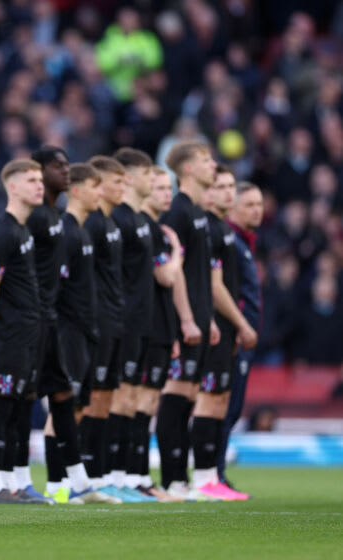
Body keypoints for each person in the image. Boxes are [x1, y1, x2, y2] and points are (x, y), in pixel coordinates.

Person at [0, 159, 44, 503]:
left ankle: (18, 482)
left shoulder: (23, 229)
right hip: (8, 334)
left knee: (20, 408)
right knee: (2, 406)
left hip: (29, 334)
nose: (39, 185)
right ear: (12, 187)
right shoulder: (2, 231)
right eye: (31, 180)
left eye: (40, 179)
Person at [54, 163, 120, 505]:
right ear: (77, 191)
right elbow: (58, 287)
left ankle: (74, 483)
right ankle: (56, 484)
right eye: (95, 187)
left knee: (77, 406)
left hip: (85, 329)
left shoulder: (79, 230)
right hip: (68, 330)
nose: (101, 192)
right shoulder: (67, 231)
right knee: (63, 406)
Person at [157, 141, 218, 501]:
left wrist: (206, 317)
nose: (213, 166)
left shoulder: (196, 212)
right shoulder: (178, 212)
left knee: (190, 396)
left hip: (198, 318)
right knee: (176, 398)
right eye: (207, 161)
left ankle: (181, 478)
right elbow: (174, 272)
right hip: (183, 321)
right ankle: (172, 479)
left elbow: (198, 275)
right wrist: (185, 319)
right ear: (189, 170)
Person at [191, 166, 254, 500]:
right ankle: (200, 478)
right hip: (213, 326)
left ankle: (210, 475)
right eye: (221, 186)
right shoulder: (210, 231)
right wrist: (242, 323)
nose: (228, 193)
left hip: (224, 328)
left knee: (220, 403)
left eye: (232, 186)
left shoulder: (224, 231)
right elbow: (214, 287)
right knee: (208, 400)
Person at [107, 148, 156, 502]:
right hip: (122, 320)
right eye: (147, 173)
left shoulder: (140, 219)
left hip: (141, 320)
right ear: (128, 177)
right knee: (118, 399)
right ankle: (112, 475)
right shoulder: (121, 219)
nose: (152, 179)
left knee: (134, 398)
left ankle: (127, 476)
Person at [24, 146, 69, 504]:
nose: (65, 171)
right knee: (22, 398)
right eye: (57, 166)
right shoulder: (37, 217)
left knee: (63, 395)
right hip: (35, 320)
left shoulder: (56, 214)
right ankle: (10, 479)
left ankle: (63, 480)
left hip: (53, 319)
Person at [81, 155, 128, 502]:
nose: (120, 188)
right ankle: (86, 473)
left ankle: (99, 474)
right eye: (114, 182)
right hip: (97, 322)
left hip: (114, 320)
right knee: (92, 400)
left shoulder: (111, 224)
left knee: (106, 400)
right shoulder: (94, 225)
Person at [136, 166, 183, 501]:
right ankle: (133, 475)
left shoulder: (154, 229)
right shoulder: (151, 231)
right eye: (159, 187)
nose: (166, 194)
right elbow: (166, 277)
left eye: (169, 188)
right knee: (138, 404)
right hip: (146, 327)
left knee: (147, 404)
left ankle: (139, 477)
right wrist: (177, 249)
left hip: (161, 326)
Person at [218, 181, 262, 489]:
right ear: (232, 208)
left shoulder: (243, 242)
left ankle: (214, 472)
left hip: (241, 335)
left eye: (259, 204)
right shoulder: (230, 241)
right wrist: (238, 327)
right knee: (224, 407)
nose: (256, 210)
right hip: (232, 335)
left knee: (231, 410)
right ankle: (212, 473)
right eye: (249, 204)